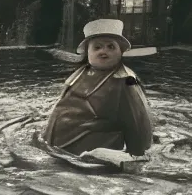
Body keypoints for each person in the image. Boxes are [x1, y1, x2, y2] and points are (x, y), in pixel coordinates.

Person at [41, 19, 153, 156]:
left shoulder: (126, 80)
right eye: (97, 47)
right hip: (57, 148)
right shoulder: (81, 72)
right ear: (87, 52)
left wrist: (138, 157)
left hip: (89, 156)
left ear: (121, 52)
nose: (103, 51)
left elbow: (139, 124)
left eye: (110, 47)